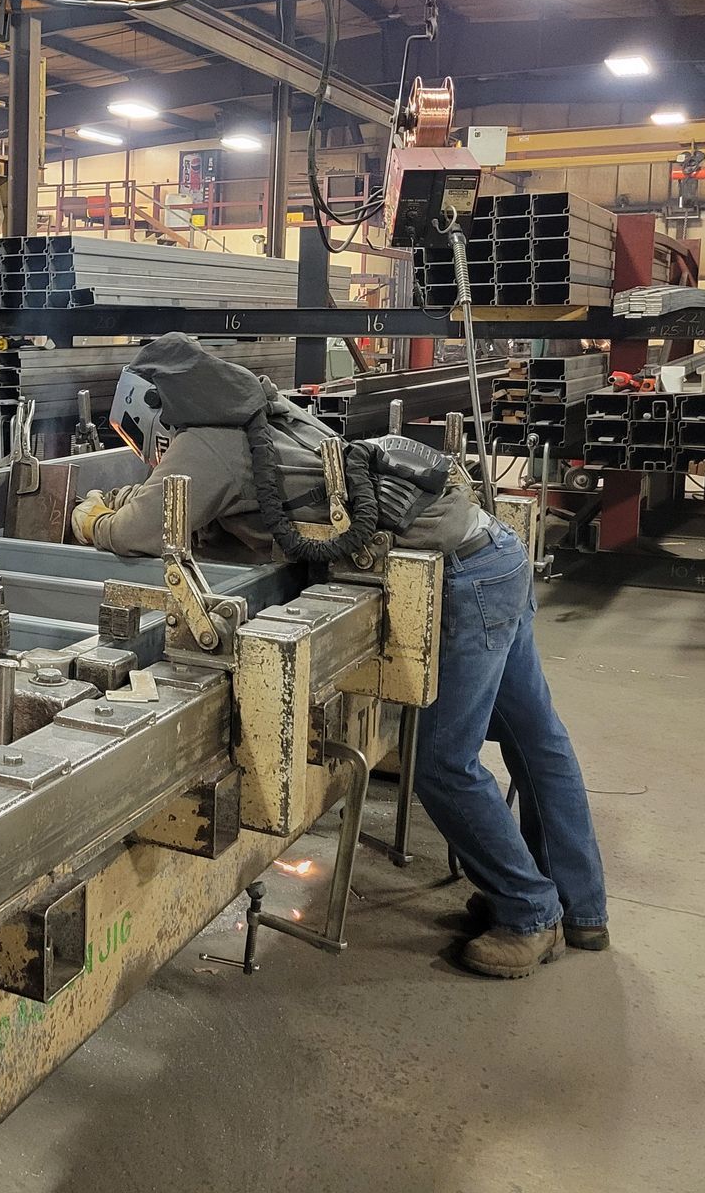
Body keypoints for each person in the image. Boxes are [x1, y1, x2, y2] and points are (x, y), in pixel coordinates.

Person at [72, 333, 608, 979]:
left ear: (152, 412)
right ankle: (579, 907)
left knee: (442, 763)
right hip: (491, 552)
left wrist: (92, 519)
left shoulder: (203, 444)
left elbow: (138, 532)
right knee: (535, 739)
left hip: (460, 579)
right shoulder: (266, 411)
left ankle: (529, 914)